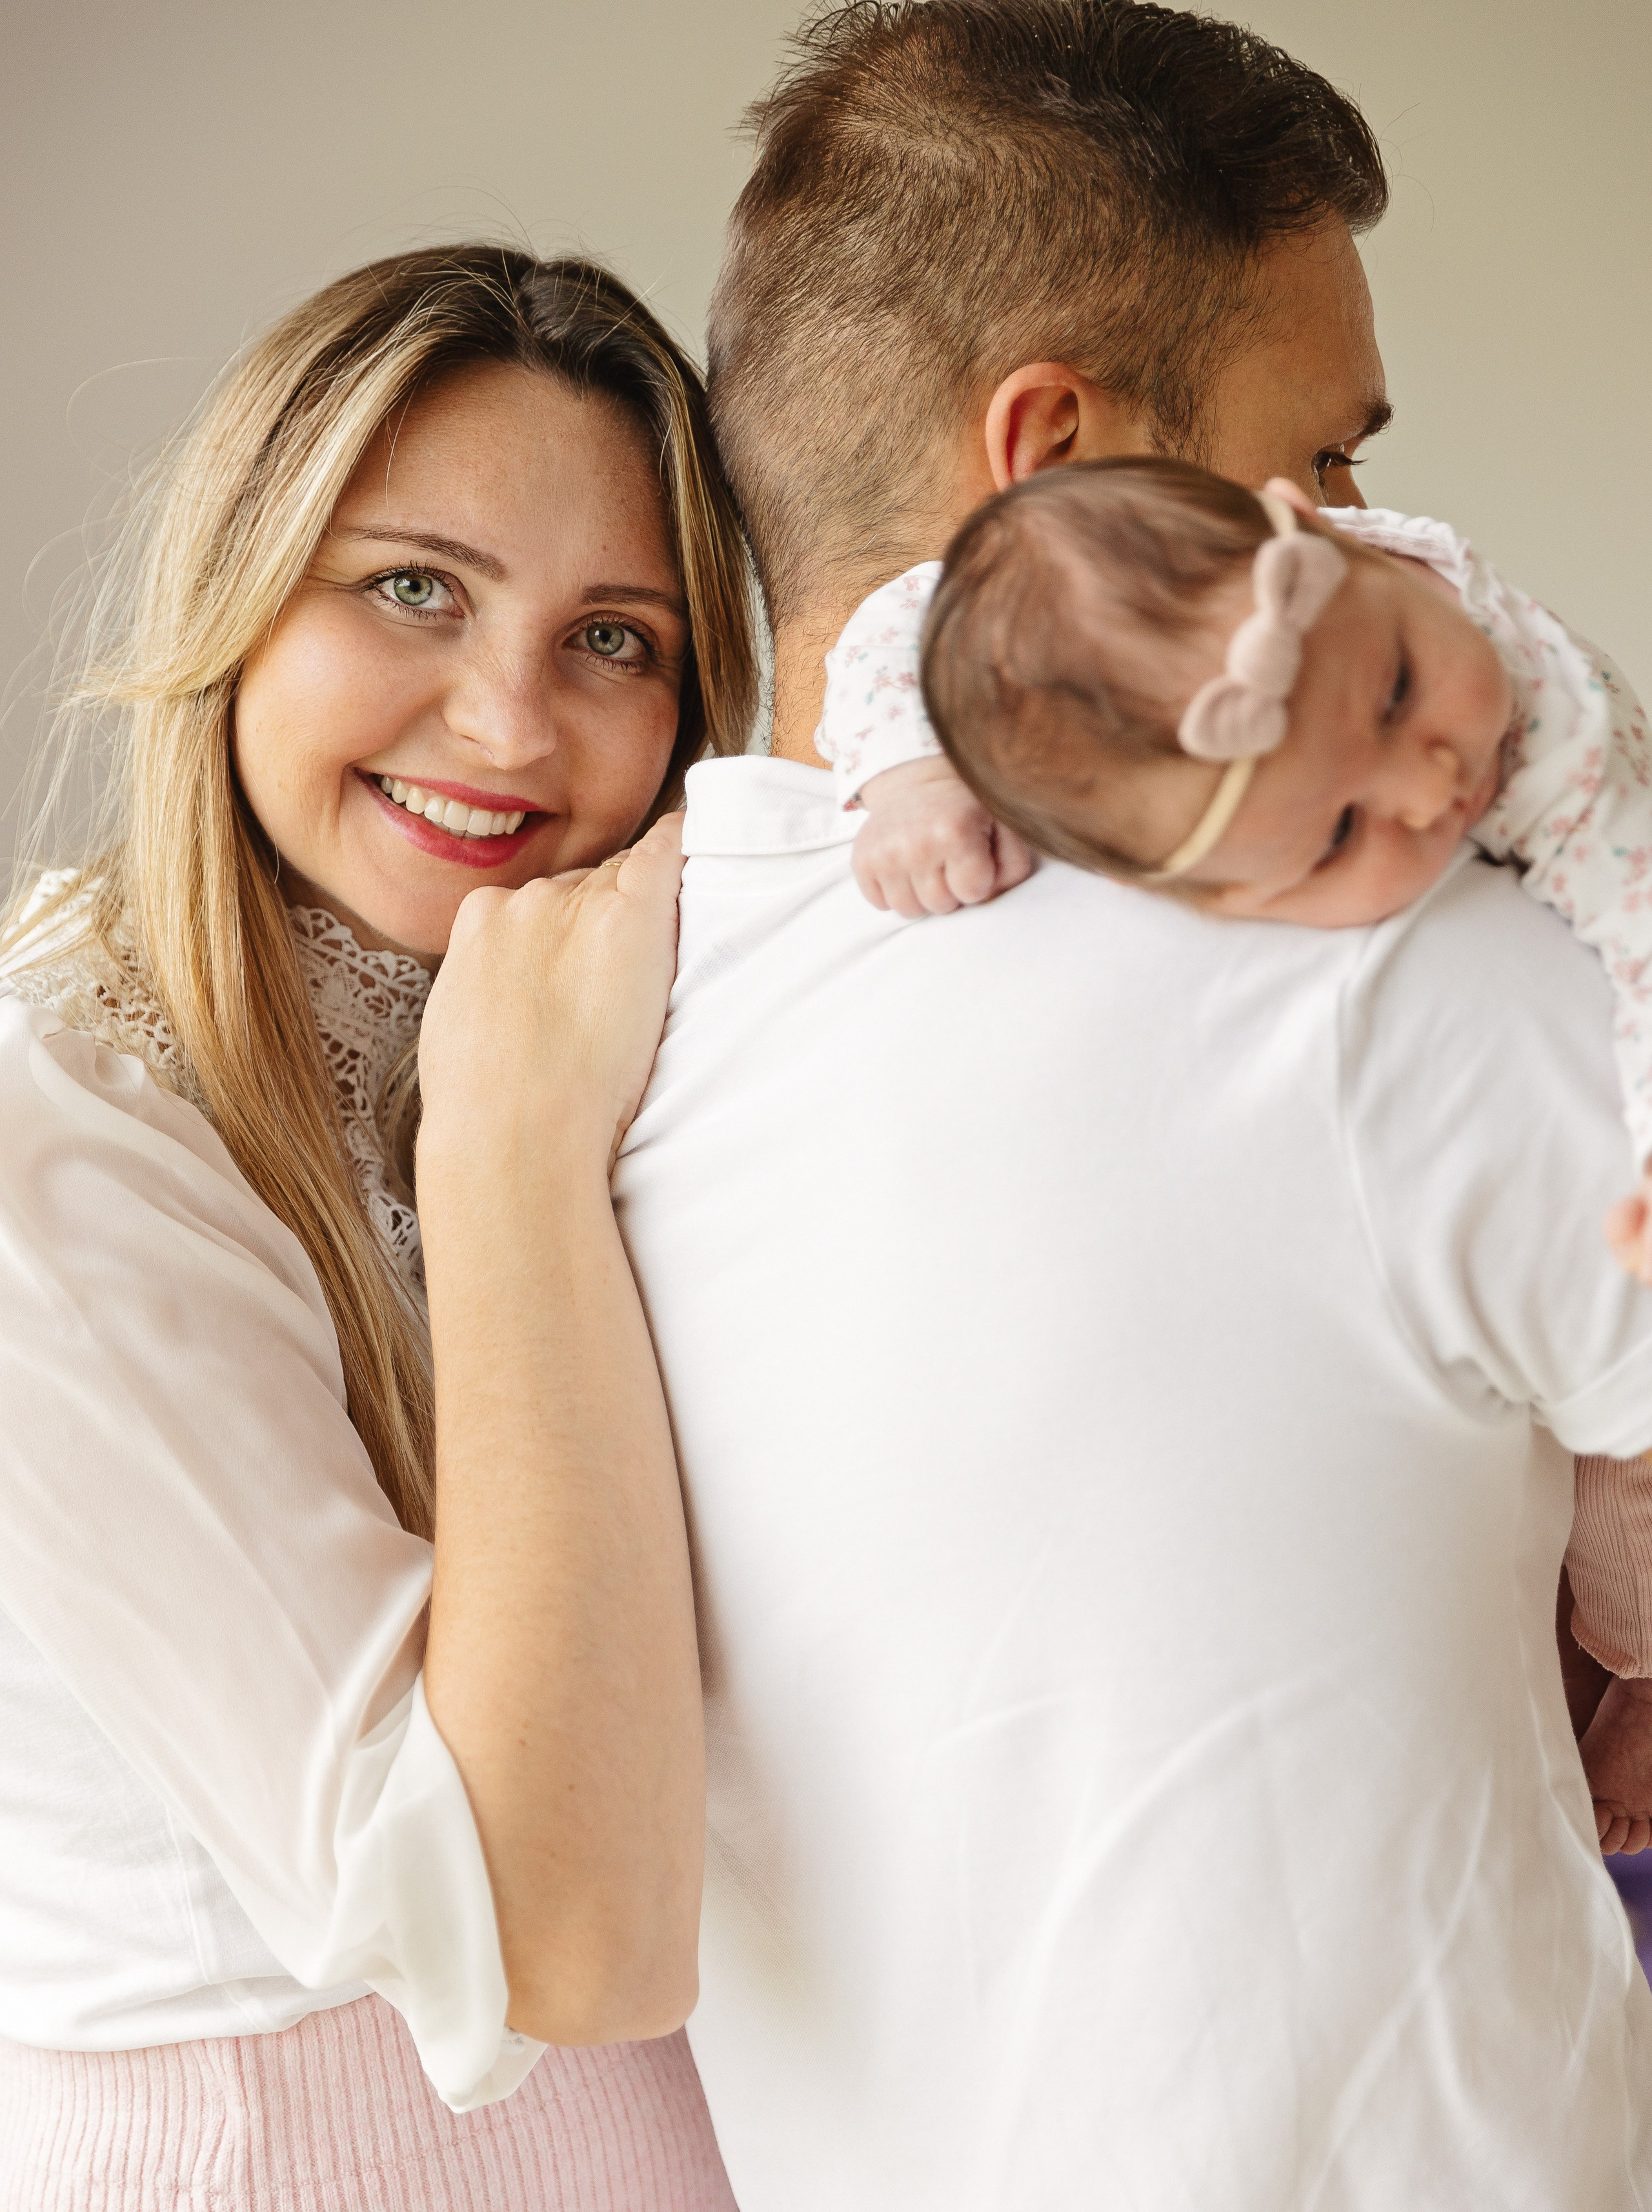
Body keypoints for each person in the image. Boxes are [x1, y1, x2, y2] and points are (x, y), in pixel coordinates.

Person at [609, 4, 1652, 2204]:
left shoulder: (578, 1008)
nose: (1389, 540)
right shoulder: (1382, 965)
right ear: (1056, 451)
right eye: (1331, 464)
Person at [0, 245, 747, 2210]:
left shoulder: (586, 1018)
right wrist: (513, 1146)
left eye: (615, 639)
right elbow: (541, 1931)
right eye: (414, 586)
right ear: (239, 597)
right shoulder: (53, 1131)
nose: (507, 725)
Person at [825, 456, 1652, 1851]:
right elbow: (900, 620)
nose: (1432, 774)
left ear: (1307, 528)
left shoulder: (1555, 765)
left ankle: (1634, 1660)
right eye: (1336, 834)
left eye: (1392, 688)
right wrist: (903, 769)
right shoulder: (1130, 668)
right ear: (1191, 906)